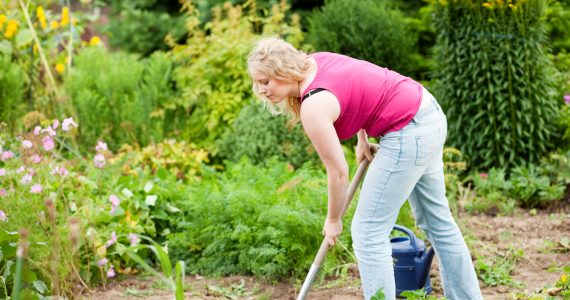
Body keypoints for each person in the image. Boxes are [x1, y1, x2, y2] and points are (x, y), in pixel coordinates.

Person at [247, 37, 483, 300]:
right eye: (257, 83)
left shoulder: (313, 105)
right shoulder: (317, 61)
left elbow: (338, 173)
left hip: (408, 130)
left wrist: (334, 219)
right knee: (437, 222)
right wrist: (362, 138)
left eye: (265, 81)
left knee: (368, 233)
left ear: (283, 70)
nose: (261, 90)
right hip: (427, 112)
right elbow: (360, 89)